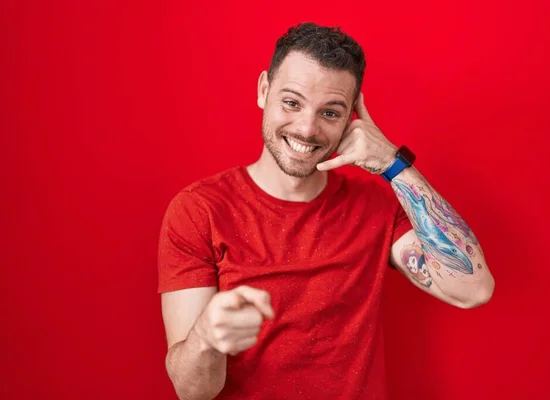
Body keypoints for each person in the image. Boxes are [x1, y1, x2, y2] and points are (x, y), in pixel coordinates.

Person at [157, 22, 495, 400]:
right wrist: (207, 336)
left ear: (353, 116)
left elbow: (473, 288)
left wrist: (392, 164)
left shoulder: (377, 204)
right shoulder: (199, 210)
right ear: (264, 90)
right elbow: (192, 392)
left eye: (330, 113)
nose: (306, 128)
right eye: (291, 102)